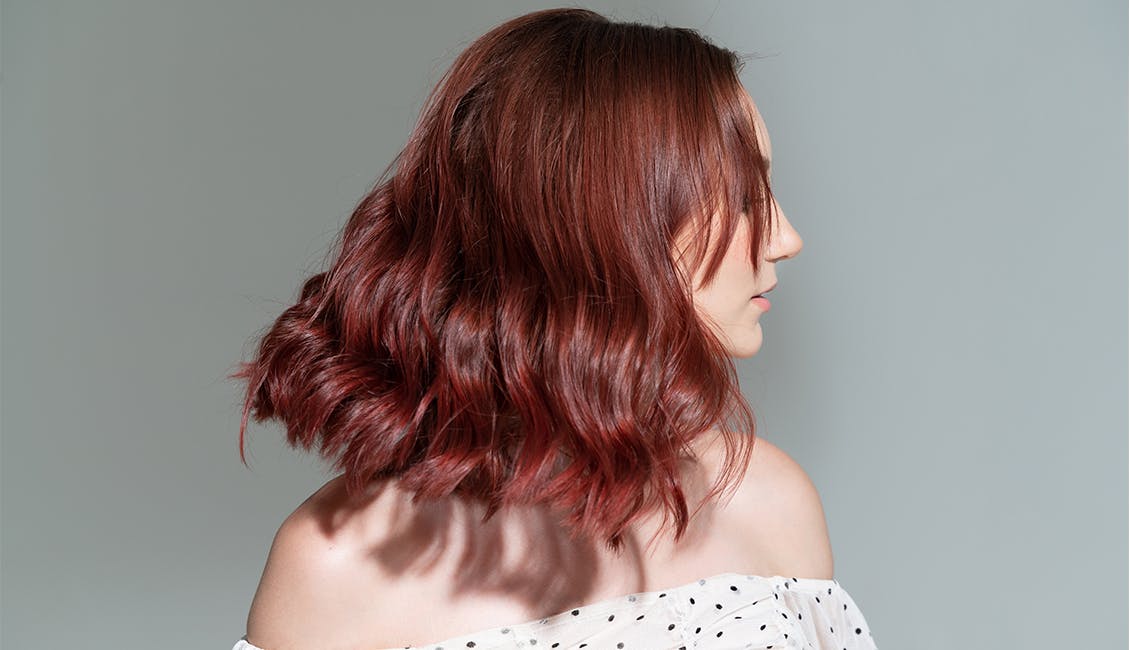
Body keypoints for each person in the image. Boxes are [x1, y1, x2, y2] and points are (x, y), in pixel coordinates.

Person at [229, 8, 877, 650]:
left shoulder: (765, 502)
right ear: (607, 220)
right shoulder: (338, 571)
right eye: (742, 198)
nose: (785, 238)